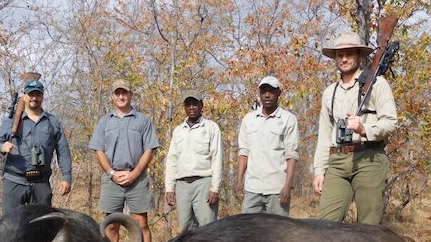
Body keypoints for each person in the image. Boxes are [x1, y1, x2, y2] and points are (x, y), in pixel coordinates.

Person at [312, 31, 398, 225]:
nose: (344, 59)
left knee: (369, 227)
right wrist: (319, 170)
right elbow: (325, 134)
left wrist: (364, 129)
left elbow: (391, 122)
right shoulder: (329, 93)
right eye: (340, 55)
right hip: (337, 161)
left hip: (369, 158)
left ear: (359, 55)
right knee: (324, 226)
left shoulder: (377, 84)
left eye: (349, 53)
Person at [89, 79, 160, 242]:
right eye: (117, 93)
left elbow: (149, 149)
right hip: (112, 179)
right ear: (113, 96)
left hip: (137, 178)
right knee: (111, 224)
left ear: (130, 95)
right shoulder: (104, 122)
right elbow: (99, 150)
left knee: (140, 223)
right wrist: (111, 173)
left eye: (124, 93)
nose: (121, 96)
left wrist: (135, 173)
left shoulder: (143, 121)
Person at [0, 78, 72, 216]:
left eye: (38, 94)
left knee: (42, 227)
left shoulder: (52, 122)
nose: (34, 98)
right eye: (31, 94)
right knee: (10, 228)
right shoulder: (10, 121)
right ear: (25, 96)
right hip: (14, 181)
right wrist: (2, 147)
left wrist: (66, 177)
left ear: (42, 97)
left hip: (41, 181)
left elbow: (63, 151)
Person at [235, 76, 299, 216]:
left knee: (278, 234)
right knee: (248, 232)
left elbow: (292, 156)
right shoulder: (249, 119)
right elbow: (244, 152)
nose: (267, 95)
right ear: (259, 94)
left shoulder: (288, 119)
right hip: (252, 188)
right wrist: (239, 181)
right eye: (264, 91)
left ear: (279, 94)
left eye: (271, 91)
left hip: (277, 189)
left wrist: (288, 186)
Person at [165, 91, 223, 231]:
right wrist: (169, 188)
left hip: (203, 183)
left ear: (201, 105)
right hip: (182, 185)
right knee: (184, 231)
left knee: (207, 228)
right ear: (184, 107)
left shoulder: (211, 128)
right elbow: (172, 160)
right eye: (188, 104)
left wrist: (214, 188)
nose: (191, 107)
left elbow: (217, 158)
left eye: (195, 104)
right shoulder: (178, 131)